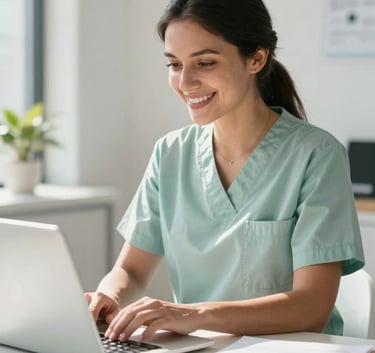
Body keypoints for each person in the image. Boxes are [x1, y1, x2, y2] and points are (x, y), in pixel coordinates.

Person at [85, 0, 364, 342]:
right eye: (174, 64)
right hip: (195, 348)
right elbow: (131, 269)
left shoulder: (316, 155)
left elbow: (312, 307)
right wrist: (109, 296)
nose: (185, 82)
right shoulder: (170, 153)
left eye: (204, 63)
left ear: (257, 59)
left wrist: (192, 314)